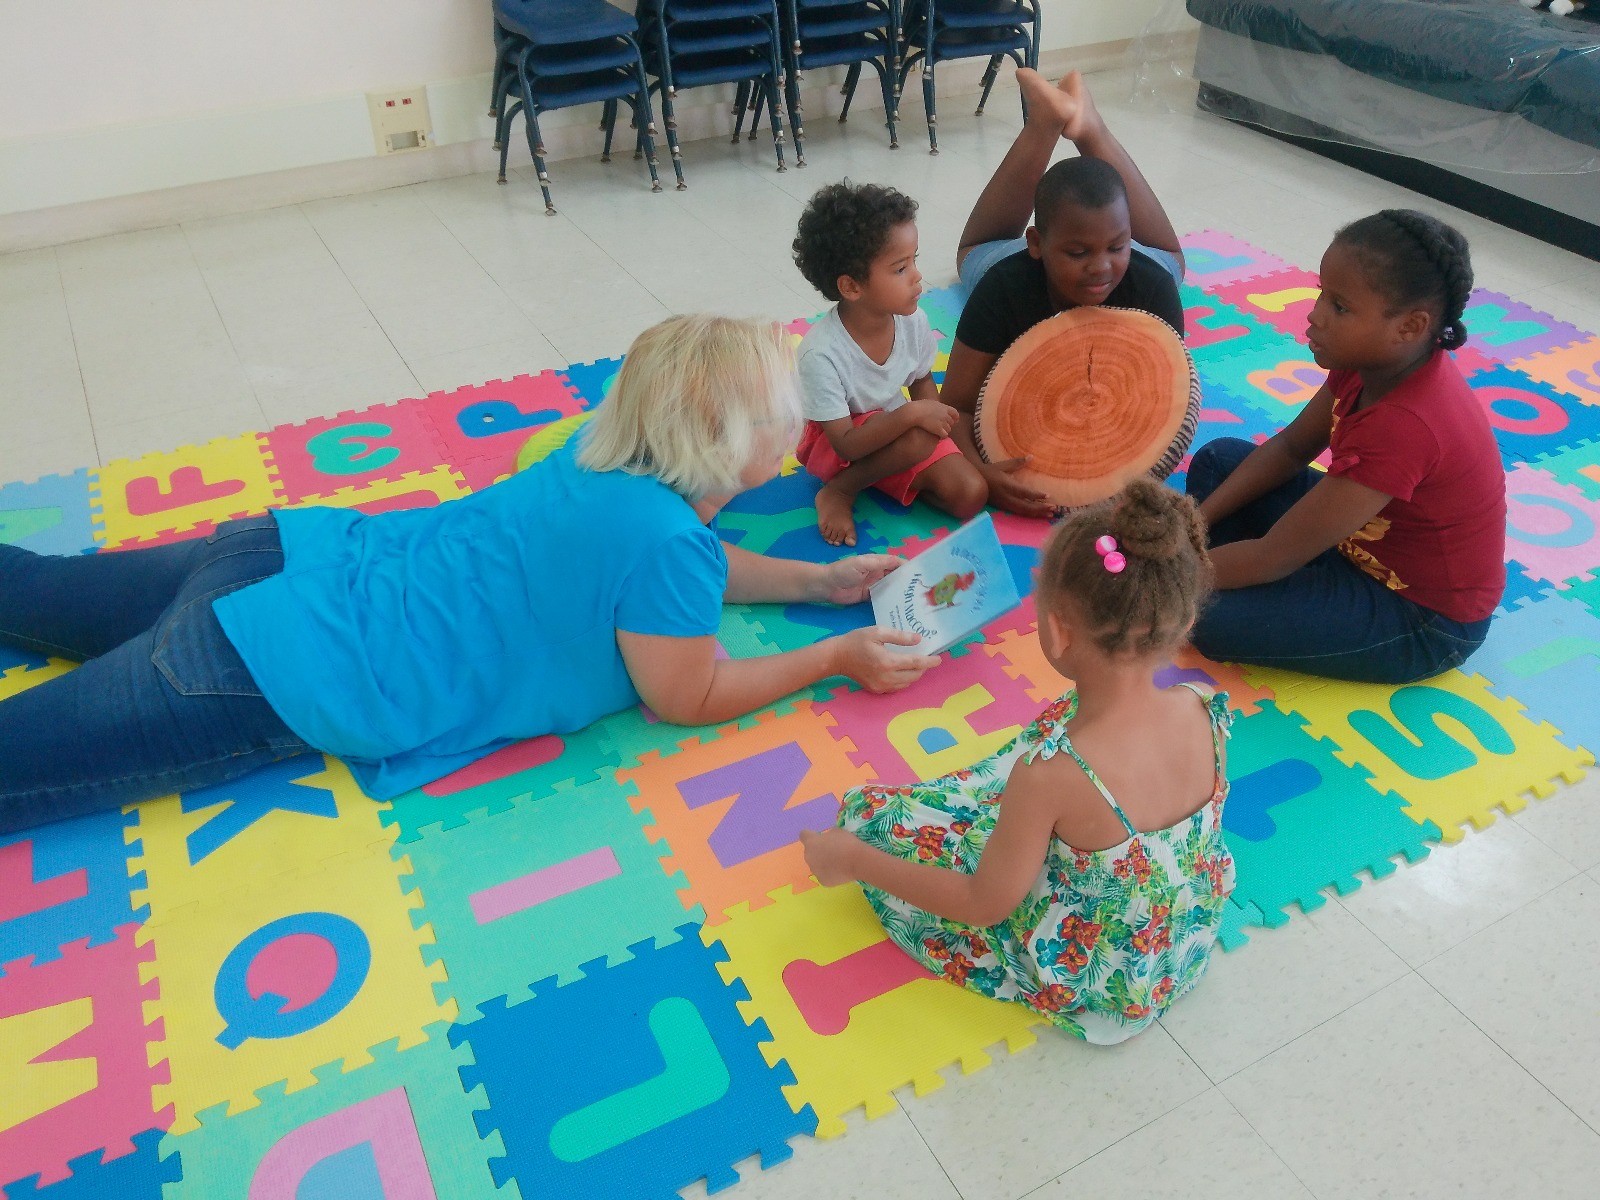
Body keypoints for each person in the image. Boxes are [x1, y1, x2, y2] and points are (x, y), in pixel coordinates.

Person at [0, 315, 942, 835]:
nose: (795, 435)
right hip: (267, 662)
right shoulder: (665, 544)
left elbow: (679, 572)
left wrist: (818, 586)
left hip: (279, 552)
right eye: (783, 422)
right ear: (725, 445)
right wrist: (834, 657)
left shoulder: (602, 453)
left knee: (33, 587)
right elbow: (687, 690)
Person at [801, 479, 1234, 1044]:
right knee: (1045, 748)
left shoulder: (1051, 775)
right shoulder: (1203, 707)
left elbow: (982, 904)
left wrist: (854, 860)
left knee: (866, 815)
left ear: (1056, 630)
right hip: (1173, 945)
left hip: (1091, 972)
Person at [1185, 209, 1506, 682]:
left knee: (1209, 620)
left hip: (1421, 617)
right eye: (1321, 293)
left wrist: (1161, 575)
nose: (1314, 314)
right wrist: (1191, 526)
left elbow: (1276, 555)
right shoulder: (1371, 359)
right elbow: (1293, 448)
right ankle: (1244, 576)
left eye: (1339, 306)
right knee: (1220, 461)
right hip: (1354, 546)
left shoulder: (1406, 424)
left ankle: (1241, 580)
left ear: (1410, 327)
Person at [941, 67, 1189, 519]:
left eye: (1118, 246)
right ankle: (1044, 125)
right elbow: (954, 403)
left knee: (1171, 261)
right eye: (1078, 253)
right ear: (1036, 244)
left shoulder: (1149, 285)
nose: (1100, 268)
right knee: (972, 253)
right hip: (1014, 264)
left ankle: (1089, 127)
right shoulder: (1006, 284)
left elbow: (1167, 402)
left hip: (1131, 262)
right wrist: (979, 469)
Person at [790, 181, 988, 548]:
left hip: (900, 433)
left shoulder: (911, 320)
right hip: (841, 446)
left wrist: (960, 450)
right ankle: (840, 491)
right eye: (900, 269)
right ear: (851, 287)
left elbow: (923, 384)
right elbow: (846, 444)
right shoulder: (821, 354)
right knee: (919, 434)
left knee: (971, 494)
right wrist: (915, 417)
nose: (916, 276)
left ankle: (888, 476)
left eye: (915, 260)